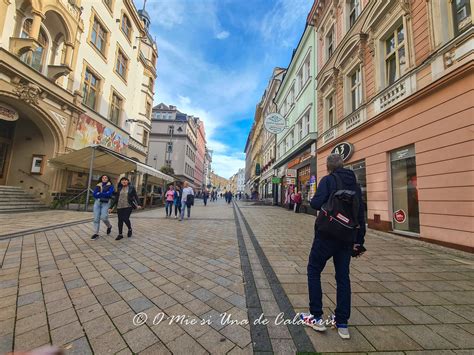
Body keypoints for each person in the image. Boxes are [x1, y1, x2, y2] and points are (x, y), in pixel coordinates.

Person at [300, 153, 366, 339]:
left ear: (329, 167)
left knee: (314, 270)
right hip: (347, 237)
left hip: (326, 235)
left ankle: (316, 317)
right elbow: (360, 214)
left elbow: (315, 203)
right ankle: (342, 323)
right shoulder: (355, 185)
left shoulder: (328, 180)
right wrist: (359, 240)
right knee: (343, 278)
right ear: (343, 165)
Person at [91, 175, 114, 240]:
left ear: (108, 179)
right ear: (101, 179)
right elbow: (94, 194)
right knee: (96, 219)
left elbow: (109, 194)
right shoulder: (98, 185)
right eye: (103, 177)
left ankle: (109, 226)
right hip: (97, 203)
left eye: (106, 177)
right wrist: (104, 193)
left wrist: (100, 193)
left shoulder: (111, 186)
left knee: (104, 217)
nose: (104, 178)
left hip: (106, 203)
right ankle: (96, 233)